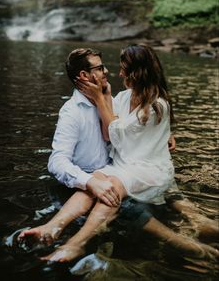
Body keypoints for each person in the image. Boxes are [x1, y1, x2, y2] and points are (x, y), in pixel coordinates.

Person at [19, 45, 219, 262]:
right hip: (121, 167)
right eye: (100, 68)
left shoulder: (152, 104)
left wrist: (163, 134)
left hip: (140, 169)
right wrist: (103, 98)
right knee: (94, 182)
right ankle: (51, 229)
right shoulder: (94, 106)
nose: (114, 72)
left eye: (123, 68)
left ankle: (76, 244)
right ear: (85, 75)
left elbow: (117, 131)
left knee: (114, 192)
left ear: (137, 72)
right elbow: (108, 134)